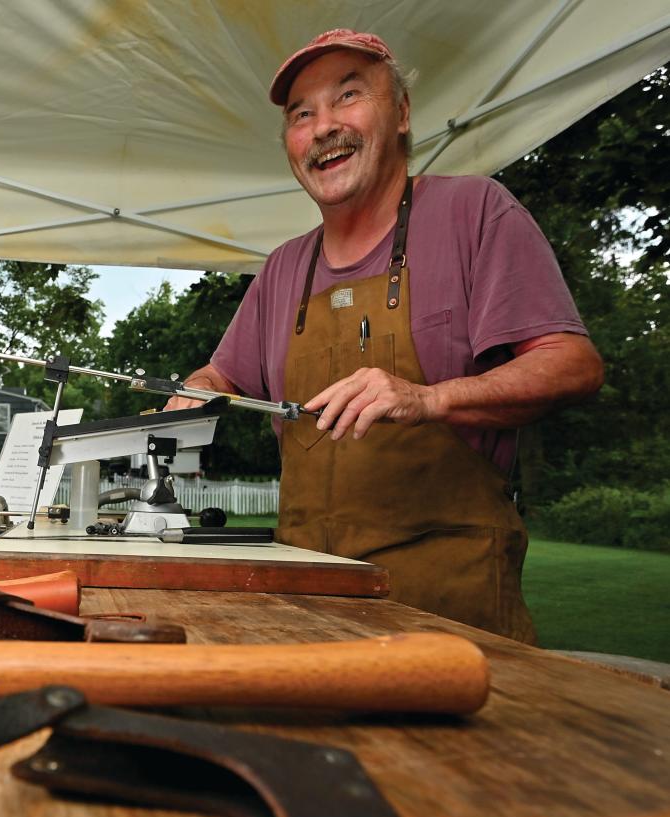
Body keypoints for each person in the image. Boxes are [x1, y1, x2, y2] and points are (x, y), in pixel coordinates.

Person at [166, 30, 603, 643]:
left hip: (450, 614)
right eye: (302, 114)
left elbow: (572, 363)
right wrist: (196, 388)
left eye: (348, 96)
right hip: (305, 604)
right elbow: (223, 377)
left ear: (400, 113)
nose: (323, 128)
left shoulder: (474, 210)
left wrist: (430, 398)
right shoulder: (284, 266)